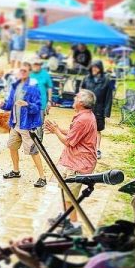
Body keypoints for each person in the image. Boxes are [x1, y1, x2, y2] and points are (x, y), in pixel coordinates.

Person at [43, 89, 98, 235]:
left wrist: (56, 131)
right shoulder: (84, 116)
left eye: (77, 97)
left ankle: (74, 225)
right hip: (75, 161)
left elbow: (69, 142)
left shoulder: (83, 119)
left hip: (79, 163)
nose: (74, 97)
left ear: (81, 103)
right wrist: (58, 129)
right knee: (65, 190)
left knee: (70, 195)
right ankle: (66, 217)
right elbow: (74, 133)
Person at [1, 63, 47, 187]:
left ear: (29, 72)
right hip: (15, 124)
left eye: (25, 71)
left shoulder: (34, 87)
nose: (22, 73)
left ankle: (42, 177)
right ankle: (16, 171)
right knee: (12, 146)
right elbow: (10, 104)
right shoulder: (15, 85)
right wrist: (2, 105)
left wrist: (27, 104)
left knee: (33, 152)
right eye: (21, 70)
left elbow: (38, 107)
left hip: (28, 125)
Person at [80, 60, 113, 158]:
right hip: (86, 108)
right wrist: (79, 107)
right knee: (85, 129)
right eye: (93, 67)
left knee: (97, 130)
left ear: (100, 68)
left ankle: (97, 149)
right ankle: (84, 148)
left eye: (96, 67)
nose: (94, 69)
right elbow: (81, 93)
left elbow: (109, 97)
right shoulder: (86, 78)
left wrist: (107, 112)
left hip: (99, 109)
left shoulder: (107, 80)